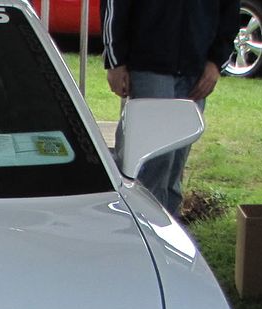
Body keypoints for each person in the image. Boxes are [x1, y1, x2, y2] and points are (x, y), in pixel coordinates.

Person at [103, 0, 240, 215]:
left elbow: (230, 10)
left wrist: (216, 61)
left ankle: (168, 232)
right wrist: (115, 61)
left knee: (176, 161)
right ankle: (138, 227)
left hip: (196, 66)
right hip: (150, 63)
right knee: (151, 160)